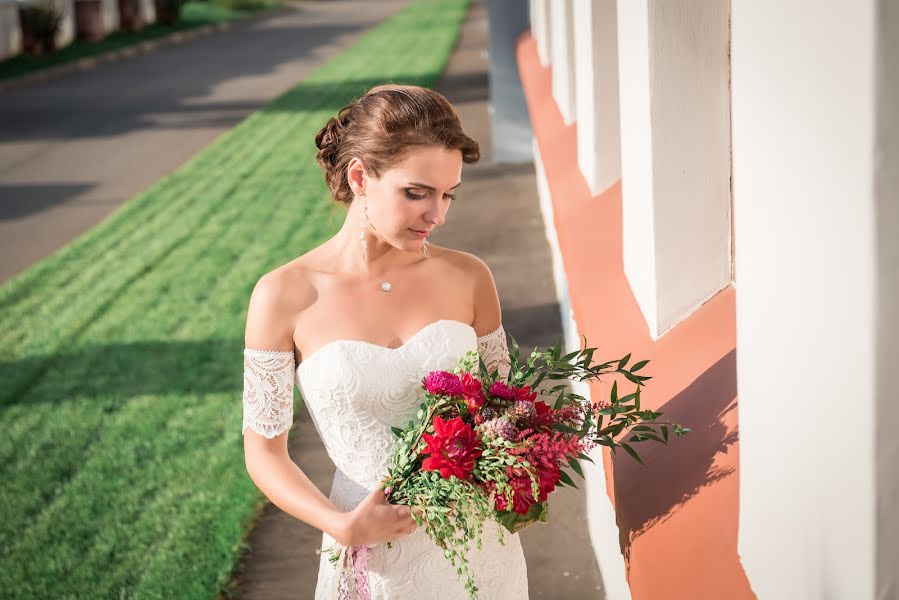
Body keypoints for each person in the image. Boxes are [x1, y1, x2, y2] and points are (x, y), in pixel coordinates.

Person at [240, 83, 528, 599]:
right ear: (360, 177)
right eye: (417, 193)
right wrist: (338, 524)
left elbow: (504, 411)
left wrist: (524, 452)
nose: (437, 215)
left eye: (448, 195)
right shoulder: (283, 295)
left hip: (479, 545)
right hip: (371, 553)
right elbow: (264, 451)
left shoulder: (469, 277)